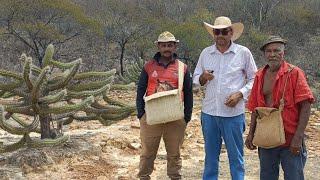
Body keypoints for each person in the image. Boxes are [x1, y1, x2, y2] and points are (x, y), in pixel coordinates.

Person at [193, 16, 257, 180]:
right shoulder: (206, 53)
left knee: (236, 157)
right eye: (217, 31)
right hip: (209, 113)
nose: (220, 35)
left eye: (224, 31)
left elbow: (254, 79)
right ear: (213, 33)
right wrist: (203, 78)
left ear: (231, 32)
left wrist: (240, 94)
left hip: (233, 115)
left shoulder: (243, 53)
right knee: (210, 157)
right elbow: (196, 78)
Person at [245, 35, 315, 180]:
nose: (272, 54)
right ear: (264, 54)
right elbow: (255, 109)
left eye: (276, 51)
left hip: (290, 139)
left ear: (283, 53)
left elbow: (306, 105)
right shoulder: (259, 75)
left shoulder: (294, 73)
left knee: (294, 177)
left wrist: (298, 137)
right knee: (267, 176)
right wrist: (251, 134)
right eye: (268, 51)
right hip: (266, 138)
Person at [136, 31, 193, 180]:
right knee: (148, 152)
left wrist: (186, 116)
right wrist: (141, 113)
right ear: (158, 47)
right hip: (151, 117)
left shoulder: (182, 68)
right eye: (163, 45)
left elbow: (188, 92)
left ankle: (174, 177)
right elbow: (140, 89)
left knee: (174, 153)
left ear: (175, 47)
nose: (167, 48)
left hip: (175, 117)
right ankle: (144, 176)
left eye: (170, 45)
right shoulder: (148, 66)